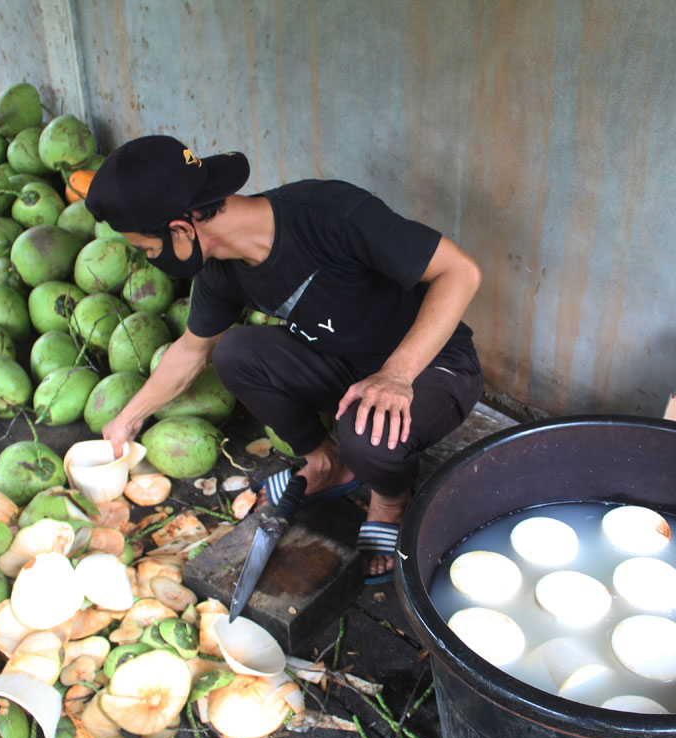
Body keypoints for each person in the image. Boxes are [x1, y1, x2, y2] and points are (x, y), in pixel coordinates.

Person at [85, 135, 483, 582]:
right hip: (343, 367)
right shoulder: (221, 270)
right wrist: (128, 420)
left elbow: (460, 271)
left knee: (368, 434)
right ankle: (324, 462)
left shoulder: (327, 213)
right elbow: (190, 352)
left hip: (432, 367)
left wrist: (396, 374)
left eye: (147, 248)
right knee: (234, 351)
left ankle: (391, 499)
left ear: (180, 229)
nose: (150, 258)